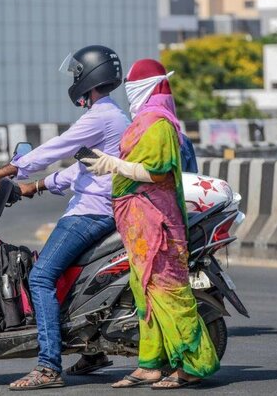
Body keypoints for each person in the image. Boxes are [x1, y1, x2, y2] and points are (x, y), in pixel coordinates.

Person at [0, 45, 129, 390]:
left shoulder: (100, 117)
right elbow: (85, 168)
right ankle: (92, 350)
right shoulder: (112, 116)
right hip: (98, 208)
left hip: (91, 213)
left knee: (41, 277)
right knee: (67, 279)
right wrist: (38, 186)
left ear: (88, 76)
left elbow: (57, 147)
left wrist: (5, 171)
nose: (73, 80)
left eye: (76, 74)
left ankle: (48, 367)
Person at [83, 59, 219, 389]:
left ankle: (195, 364)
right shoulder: (143, 122)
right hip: (140, 228)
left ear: (143, 87)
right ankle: (150, 364)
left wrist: (116, 165)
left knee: (170, 295)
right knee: (144, 295)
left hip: (158, 227)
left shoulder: (158, 125)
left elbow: (157, 172)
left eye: (131, 85)